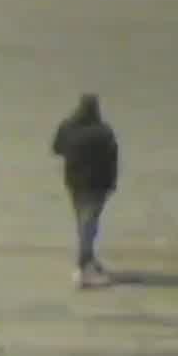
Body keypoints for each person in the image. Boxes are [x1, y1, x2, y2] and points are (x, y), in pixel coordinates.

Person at [52, 93, 119, 288]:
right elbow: (112, 159)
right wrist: (112, 183)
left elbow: (57, 148)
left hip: (75, 183)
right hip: (97, 185)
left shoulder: (68, 127)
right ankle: (84, 264)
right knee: (89, 224)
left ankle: (88, 258)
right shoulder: (103, 132)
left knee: (83, 222)